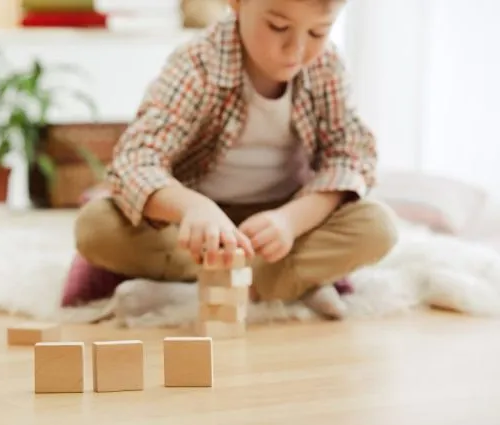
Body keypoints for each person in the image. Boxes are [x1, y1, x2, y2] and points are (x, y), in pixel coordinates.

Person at [62, 0, 398, 319]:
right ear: (235, 3)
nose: (296, 50)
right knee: (98, 225)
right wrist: (192, 207)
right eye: (278, 26)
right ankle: (282, 285)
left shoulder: (326, 66)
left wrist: (290, 220)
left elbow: (351, 157)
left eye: (317, 33)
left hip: (280, 223)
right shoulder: (197, 63)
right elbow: (136, 159)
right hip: (197, 226)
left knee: (377, 226)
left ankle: (204, 289)